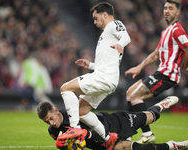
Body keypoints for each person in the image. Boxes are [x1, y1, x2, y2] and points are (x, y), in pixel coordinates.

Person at [60, 2, 131, 150]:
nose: (94, 22)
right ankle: (108, 138)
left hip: (104, 78)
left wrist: (121, 44)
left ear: (105, 14)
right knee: (81, 112)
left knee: (65, 88)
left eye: (96, 18)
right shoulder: (106, 34)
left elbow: (126, 36)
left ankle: (75, 129)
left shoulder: (113, 25)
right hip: (106, 77)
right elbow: (107, 61)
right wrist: (91, 65)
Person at [125, 0, 188, 143]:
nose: (167, 11)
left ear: (178, 12)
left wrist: (184, 66)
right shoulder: (165, 31)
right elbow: (155, 54)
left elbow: (187, 48)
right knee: (129, 93)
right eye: (165, 8)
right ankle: (128, 133)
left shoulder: (177, 30)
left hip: (168, 74)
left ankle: (147, 134)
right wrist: (139, 67)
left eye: (171, 8)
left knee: (135, 96)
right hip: (160, 72)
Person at [37, 96, 188, 150]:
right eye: (47, 122)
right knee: (126, 148)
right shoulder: (53, 132)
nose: (52, 123)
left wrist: (86, 134)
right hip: (102, 144)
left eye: (51, 118)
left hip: (111, 123)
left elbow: (93, 127)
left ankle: (160, 106)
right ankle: (173, 145)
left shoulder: (73, 112)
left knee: (150, 117)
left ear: (56, 110)